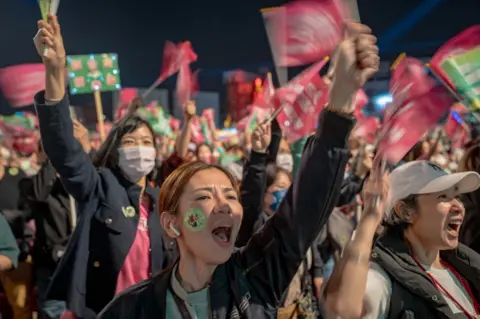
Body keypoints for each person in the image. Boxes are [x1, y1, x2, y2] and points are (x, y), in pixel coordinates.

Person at [95, 21, 380, 319]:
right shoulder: (130, 309)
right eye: (204, 197)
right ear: (172, 223)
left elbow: (307, 203)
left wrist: (341, 100)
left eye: (231, 197)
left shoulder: (256, 277)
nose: (225, 207)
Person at [33, 16, 177, 318]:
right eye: (131, 142)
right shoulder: (100, 185)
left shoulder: (160, 200)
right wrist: (55, 70)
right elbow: (62, 147)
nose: (140, 149)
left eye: (147, 142)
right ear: (115, 150)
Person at [324, 160, 480, 319]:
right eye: (443, 196)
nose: (458, 207)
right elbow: (343, 312)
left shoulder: (465, 267)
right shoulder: (384, 279)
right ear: (406, 212)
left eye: (457, 196)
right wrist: (369, 217)